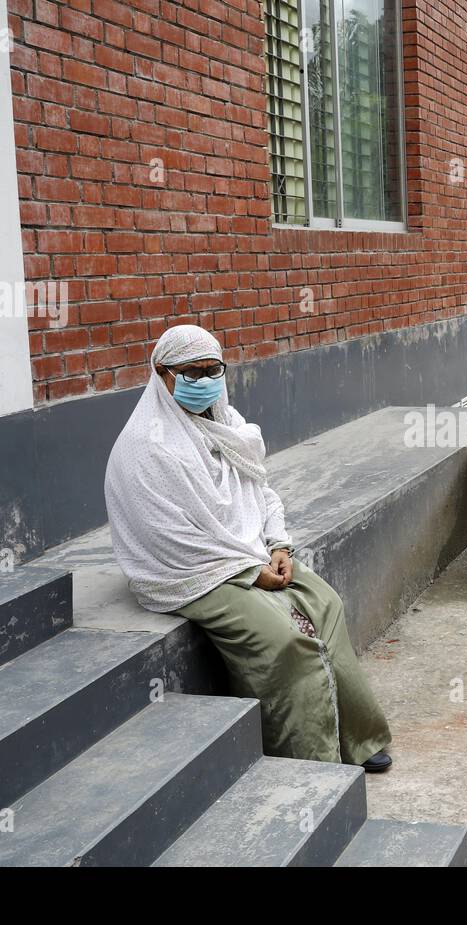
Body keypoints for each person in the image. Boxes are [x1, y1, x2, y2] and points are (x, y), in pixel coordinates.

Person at [104, 325, 393, 771]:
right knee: (284, 639)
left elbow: (260, 491)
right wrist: (247, 572)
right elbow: (164, 538)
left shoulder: (227, 426)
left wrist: (278, 545)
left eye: (212, 370)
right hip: (190, 571)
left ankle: (358, 738)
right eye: (190, 373)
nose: (203, 381)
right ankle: (310, 762)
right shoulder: (145, 447)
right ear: (161, 374)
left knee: (325, 603)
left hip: (249, 552)